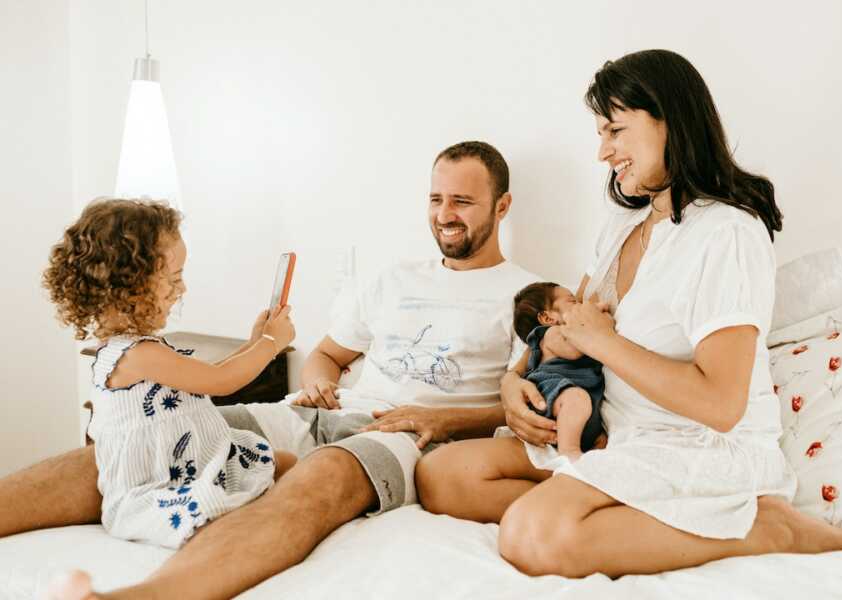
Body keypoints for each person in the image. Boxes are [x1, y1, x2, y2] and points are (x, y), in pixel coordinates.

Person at [416, 49, 842, 579]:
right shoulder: (623, 224)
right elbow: (568, 325)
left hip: (697, 446)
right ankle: (617, 504)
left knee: (531, 534)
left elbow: (722, 403)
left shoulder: (726, 232)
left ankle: (770, 528)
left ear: (670, 121)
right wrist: (512, 379)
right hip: (614, 431)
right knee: (441, 476)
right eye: (600, 133)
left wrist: (606, 344)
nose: (602, 152)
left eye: (615, 131)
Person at [2, 140, 540, 600]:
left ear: (503, 205)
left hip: (406, 435)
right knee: (162, 434)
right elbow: (327, 355)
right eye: (436, 198)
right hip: (318, 413)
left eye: (463, 201)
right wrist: (318, 382)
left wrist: (443, 422)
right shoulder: (393, 278)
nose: (445, 213)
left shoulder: (528, 295)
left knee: (316, 481)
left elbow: (528, 408)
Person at [41, 199, 297, 595]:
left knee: (283, 462)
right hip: (159, 483)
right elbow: (222, 382)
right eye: (174, 279)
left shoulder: (139, 348)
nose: (183, 289)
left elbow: (207, 376)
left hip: (196, 459)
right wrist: (269, 344)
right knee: (221, 511)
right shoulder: (139, 355)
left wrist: (253, 342)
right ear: (130, 284)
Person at [510, 282, 604, 460]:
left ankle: (585, 446)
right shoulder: (551, 334)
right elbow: (575, 349)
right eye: (573, 302)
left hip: (580, 401)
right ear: (547, 318)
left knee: (587, 412)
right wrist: (596, 314)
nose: (581, 305)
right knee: (576, 399)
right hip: (551, 392)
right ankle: (568, 451)